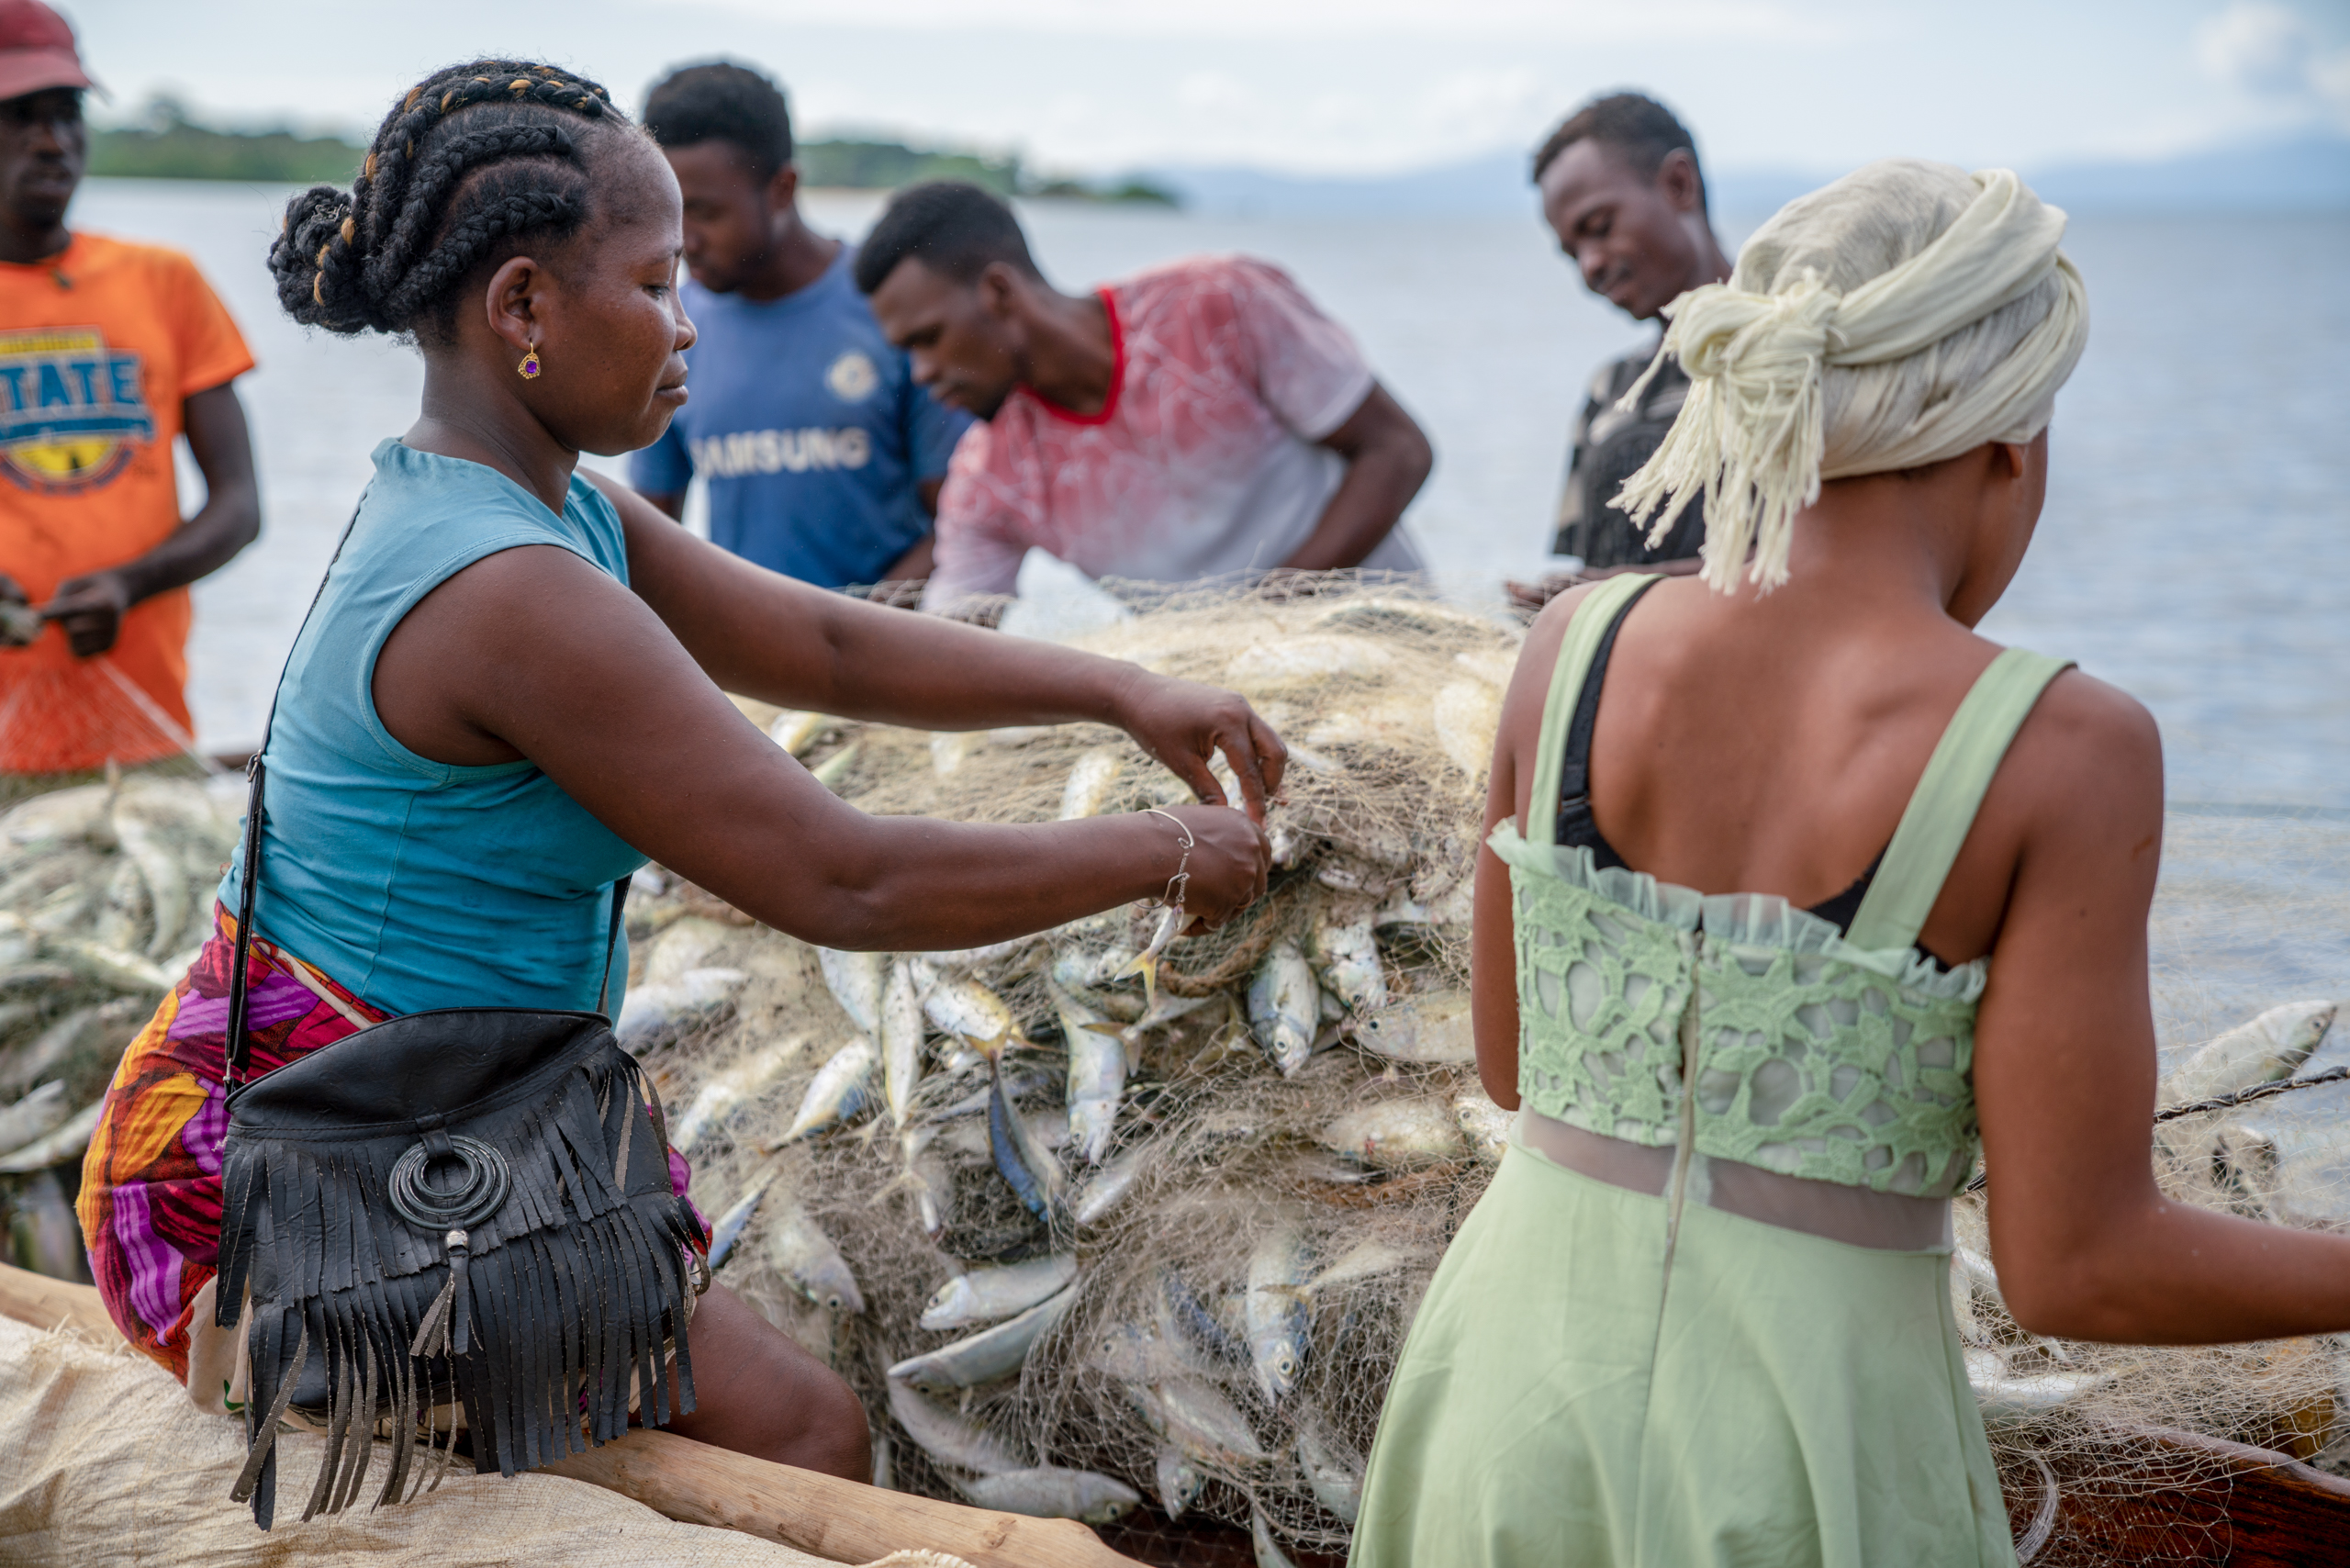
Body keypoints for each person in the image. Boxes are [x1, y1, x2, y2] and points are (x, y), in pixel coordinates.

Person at [77, 59, 1282, 1484]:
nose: (688, 327)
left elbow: (823, 646)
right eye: (654, 286)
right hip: (285, 1192)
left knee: (723, 1411)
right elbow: (846, 877)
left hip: (428, 1120)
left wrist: (1119, 686)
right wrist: (1161, 850)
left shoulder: (540, 503)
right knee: (796, 1434)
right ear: (522, 305)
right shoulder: (511, 586)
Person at [1350, 160, 2350, 1567]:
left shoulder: (1567, 650)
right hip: (1806, 1435)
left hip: (1507, 1395)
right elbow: (2079, 1262)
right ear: (2014, 438)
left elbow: (1515, 1071)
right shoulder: (2067, 744)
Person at [854, 181, 1434, 616]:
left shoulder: (1217, 304)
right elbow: (957, 641)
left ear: (1000, 291)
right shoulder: (988, 478)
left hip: (1392, 639)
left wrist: (1260, 616)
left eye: (928, 339)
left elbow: (1398, 450)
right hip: (1232, 711)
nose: (922, 373)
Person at [0, 0, 259, 775]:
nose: (55, 142)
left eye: (69, 113)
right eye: (22, 115)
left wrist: (130, 582)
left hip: (141, 736)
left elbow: (239, 505)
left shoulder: (163, 282)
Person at [631, 62, 968, 599]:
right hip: (745, 668)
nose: (685, 241)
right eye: (670, 212)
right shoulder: (668, 331)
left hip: (889, 659)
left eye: (706, 212)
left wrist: (850, 642)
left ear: (782, 188)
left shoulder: (895, 315)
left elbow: (965, 530)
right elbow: (648, 541)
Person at [1505, 92, 1732, 615]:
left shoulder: (1802, 353)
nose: (1588, 267)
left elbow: (1833, 563)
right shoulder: (1610, 391)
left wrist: (1612, 594)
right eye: (1571, 253)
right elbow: (1588, 566)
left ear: (1679, 184)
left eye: (1599, 227)